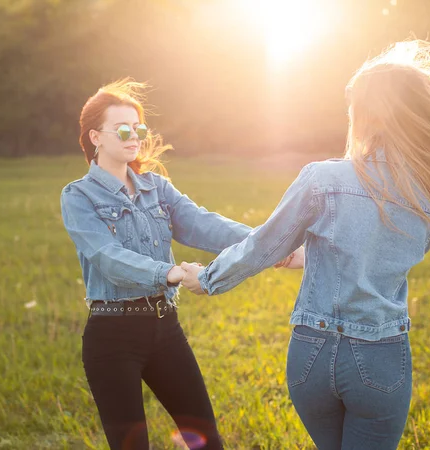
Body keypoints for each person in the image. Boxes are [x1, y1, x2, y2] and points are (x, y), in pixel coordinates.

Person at [180, 40, 430, 450]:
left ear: (364, 115)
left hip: (310, 354)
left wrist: (208, 279)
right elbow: (372, 247)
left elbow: (262, 245)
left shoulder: (321, 178)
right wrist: (307, 257)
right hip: (378, 356)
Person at [60, 79, 254, 450]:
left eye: (139, 128)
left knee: (207, 441)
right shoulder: (77, 196)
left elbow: (203, 224)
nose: (134, 136)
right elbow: (105, 256)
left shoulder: (156, 187)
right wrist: (170, 272)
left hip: (166, 330)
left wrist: (271, 242)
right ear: (95, 137)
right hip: (112, 337)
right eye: (122, 129)